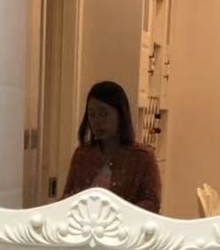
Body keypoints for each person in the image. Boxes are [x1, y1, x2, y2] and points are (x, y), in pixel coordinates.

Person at [62, 81, 162, 212]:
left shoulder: (142, 157)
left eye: (103, 114)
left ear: (120, 115)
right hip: (84, 222)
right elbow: (68, 195)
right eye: (91, 114)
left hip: (126, 224)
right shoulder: (82, 154)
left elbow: (152, 202)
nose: (97, 121)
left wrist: (119, 213)